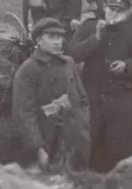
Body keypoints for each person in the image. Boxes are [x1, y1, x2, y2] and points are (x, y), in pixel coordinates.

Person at [67, 0, 132, 172]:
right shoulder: (89, 27)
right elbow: (73, 53)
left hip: (120, 96)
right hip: (92, 95)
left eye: (119, 11)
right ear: (104, 8)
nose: (114, 14)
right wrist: (96, 38)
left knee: (119, 144)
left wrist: (126, 65)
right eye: (111, 9)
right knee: (92, 141)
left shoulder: (131, 32)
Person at [11, 17, 91, 172]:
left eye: (59, 37)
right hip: (48, 141)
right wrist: (38, 147)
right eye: (51, 37)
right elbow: (24, 113)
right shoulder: (28, 69)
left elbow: (82, 98)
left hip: (74, 139)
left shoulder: (68, 63)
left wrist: (83, 124)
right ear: (39, 41)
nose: (57, 42)